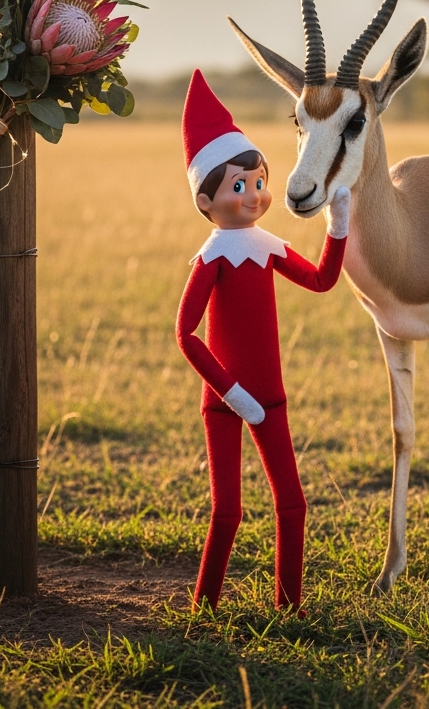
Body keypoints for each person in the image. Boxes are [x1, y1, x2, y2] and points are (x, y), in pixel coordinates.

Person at [176, 70, 349, 612]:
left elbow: (321, 280)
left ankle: (288, 605)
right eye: (237, 186)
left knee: (292, 505)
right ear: (205, 200)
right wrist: (231, 392)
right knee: (227, 510)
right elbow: (185, 333)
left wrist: (336, 229)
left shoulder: (268, 247)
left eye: (258, 183)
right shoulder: (211, 259)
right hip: (226, 405)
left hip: (270, 398)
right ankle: (205, 603)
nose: (253, 196)